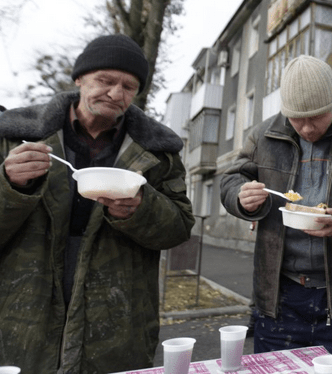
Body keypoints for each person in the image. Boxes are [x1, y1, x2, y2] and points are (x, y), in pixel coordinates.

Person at [0, 34, 195, 374]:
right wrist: (10, 185)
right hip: (23, 315)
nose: (116, 94)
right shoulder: (16, 135)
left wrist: (140, 209)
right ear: (79, 79)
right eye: (105, 80)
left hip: (117, 324)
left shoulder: (158, 150)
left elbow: (179, 227)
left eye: (128, 86)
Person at [220, 55, 332, 373]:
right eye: (296, 118)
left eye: (315, 117)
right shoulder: (263, 135)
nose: (306, 128)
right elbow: (232, 179)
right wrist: (241, 196)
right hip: (280, 294)